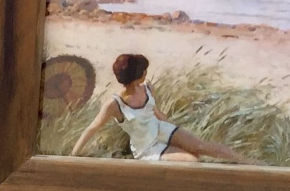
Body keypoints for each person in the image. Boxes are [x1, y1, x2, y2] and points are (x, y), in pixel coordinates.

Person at [71, 54, 249, 163]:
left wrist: (176, 131)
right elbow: (93, 128)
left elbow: (155, 112)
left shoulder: (147, 88)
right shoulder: (115, 104)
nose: (146, 73)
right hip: (147, 147)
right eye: (143, 71)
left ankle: (247, 162)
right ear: (136, 76)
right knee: (192, 160)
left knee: (200, 146)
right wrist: (74, 154)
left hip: (162, 130)